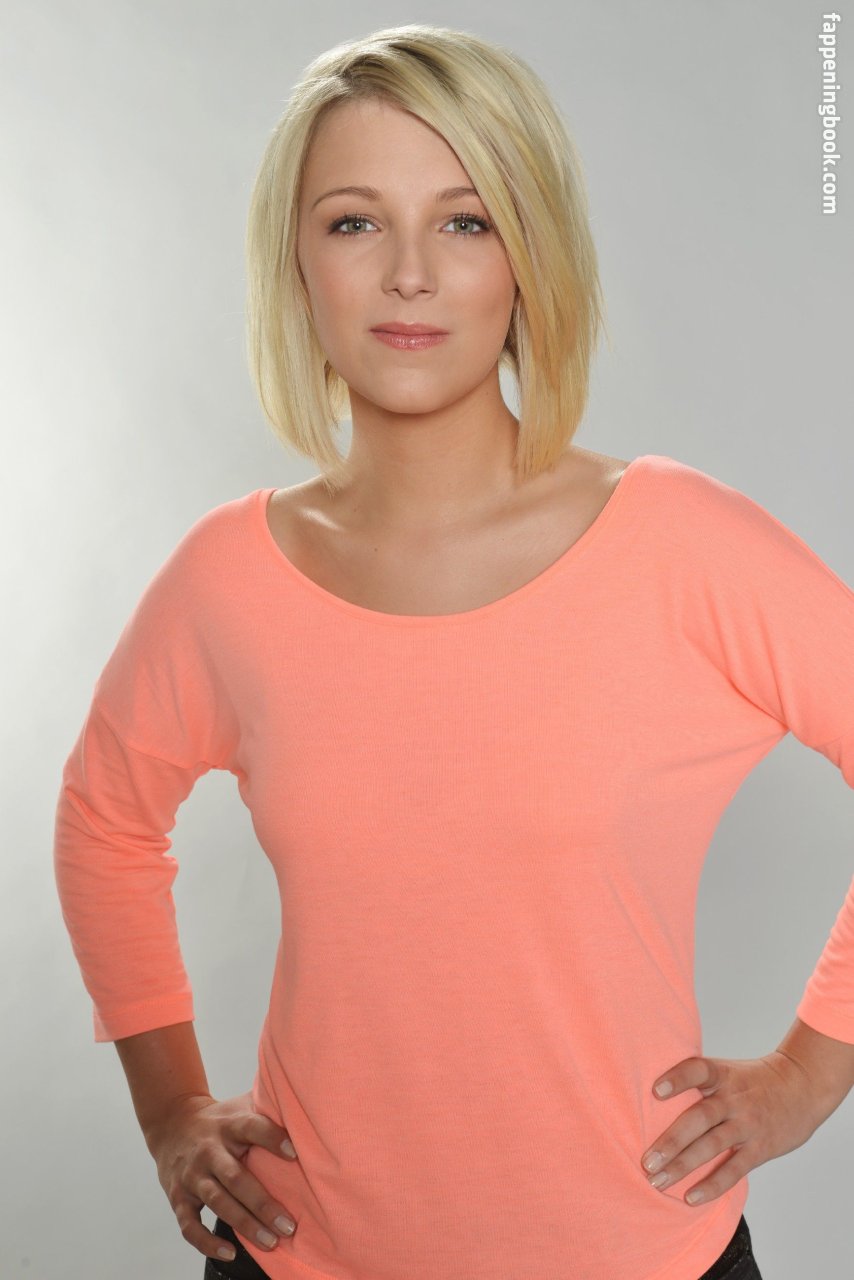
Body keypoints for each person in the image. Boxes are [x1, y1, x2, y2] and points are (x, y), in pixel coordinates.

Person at [53, 23, 854, 1280]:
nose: (410, 274)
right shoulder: (227, 578)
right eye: (354, 222)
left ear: (528, 254)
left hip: (638, 1254)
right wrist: (170, 1108)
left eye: (465, 221)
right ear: (296, 262)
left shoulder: (680, 545)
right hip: (300, 1255)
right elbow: (103, 820)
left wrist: (812, 1070)